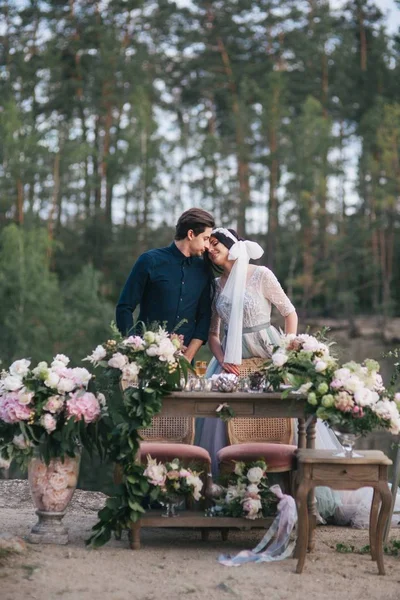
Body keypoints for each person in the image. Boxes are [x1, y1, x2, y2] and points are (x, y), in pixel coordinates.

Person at [195, 227, 298, 469]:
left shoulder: (260, 274)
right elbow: (212, 334)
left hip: (268, 350)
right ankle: (229, 482)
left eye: (214, 244)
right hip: (231, 358)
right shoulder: (215, 285)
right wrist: (222, 360)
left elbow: (289, 313)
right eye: (207, 245)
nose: (209, 250)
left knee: (280, 411)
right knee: (222, 414)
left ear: (231, 245)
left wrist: (284, 351)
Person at [116, 208, 215, 362]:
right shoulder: (150, 261)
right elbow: (125, 307)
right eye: (206, 238)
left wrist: (187, 358)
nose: (208, 245)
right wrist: (134, 348)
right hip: (146, 361)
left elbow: (204, 318)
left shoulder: (203, 270)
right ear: (190, 234)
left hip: (183, 364)